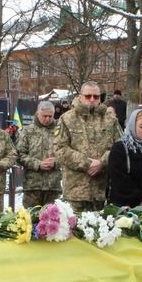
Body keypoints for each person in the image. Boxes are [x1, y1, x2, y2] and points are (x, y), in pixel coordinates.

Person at [54, 82, 121, 212]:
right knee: (73, 230)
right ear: (80, 96)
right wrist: (87, 163)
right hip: (75, 192)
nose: (92, 99)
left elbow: (120, 148)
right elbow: (59, 149)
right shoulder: (67, 119)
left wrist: (102, 162)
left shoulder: (110, 120)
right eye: (88, 96)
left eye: (96, 96)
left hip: (101, 191)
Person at [17, 101, 62, 208]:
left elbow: (67, 154)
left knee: (53, 221)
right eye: (44, 116)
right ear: (38, 114)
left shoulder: (60, 131)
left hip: (53, 186)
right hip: (32, 186)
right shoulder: (27, 131)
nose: (47, 119)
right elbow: (19, 155)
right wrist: (37, 164)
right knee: (29, 221)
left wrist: (56, 162)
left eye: (50, 116)